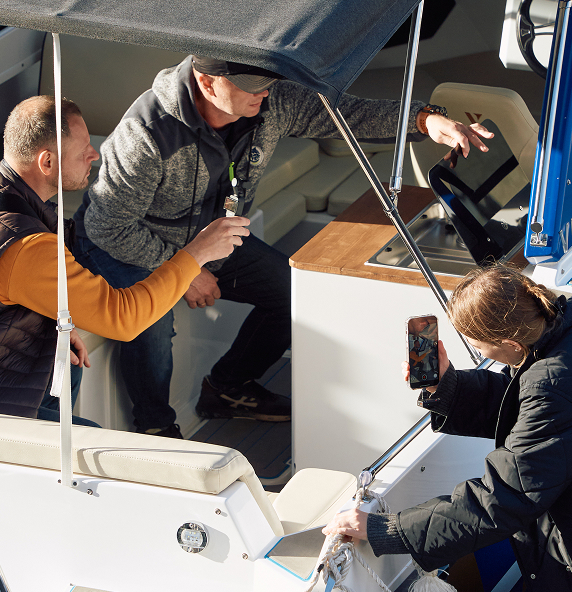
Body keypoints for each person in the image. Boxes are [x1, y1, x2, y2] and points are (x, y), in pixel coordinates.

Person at [73, 55, 493, 437]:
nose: (264, 92)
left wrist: (424, 121)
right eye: (252, 86)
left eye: (267, 82)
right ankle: (155, 428)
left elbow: (347, 114)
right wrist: (186, 269)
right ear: (207, 82)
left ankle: (227, 387)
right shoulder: (146, 134)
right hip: (126, 243)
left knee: (293, 294)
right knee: (150, 318)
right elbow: (107, 226)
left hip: (213, 238)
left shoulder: (271, 102)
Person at [0, 95, 249, 424]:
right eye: (83, 150)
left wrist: (46, 321)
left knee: (64, 361)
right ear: (47, 162)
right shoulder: (27, 245)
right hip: (8, 409)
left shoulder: (14, 202)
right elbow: (123, 319)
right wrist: (197, 253)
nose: (95, 154)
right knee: (94, 442)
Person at [323, 264, 572, 589]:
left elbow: (506, 498)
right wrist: (446, 388)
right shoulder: (556, 334)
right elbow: (530, 408)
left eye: (479, 347)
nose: (479, 352)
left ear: (510, 343)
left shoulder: (549, 387)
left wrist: (389, 529)